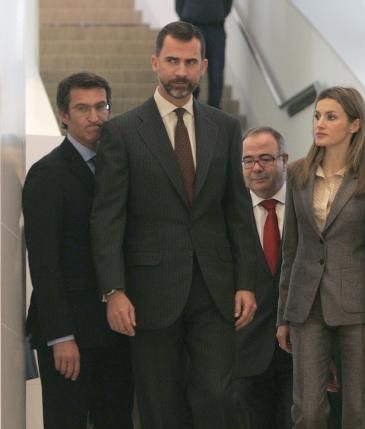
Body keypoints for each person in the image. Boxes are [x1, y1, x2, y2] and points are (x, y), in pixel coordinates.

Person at [90, 21, 257, 429]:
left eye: (189, 62)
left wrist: (247, 281)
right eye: (171, 61)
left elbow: (237, 210)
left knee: (215, 396)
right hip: (149, 293)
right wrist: (113, 290)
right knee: (159, 406)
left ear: (203, 66)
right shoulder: (122, 132)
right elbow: (108, 216)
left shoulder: (226, 127)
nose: (180, 72)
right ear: (154, 63)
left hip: (214, 290)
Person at [276, 86, 365, 429]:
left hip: (357, 309)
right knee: (309, 411)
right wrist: (284, 314)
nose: (320, 124)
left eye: (331, 116)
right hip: (306, 304)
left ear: (355, 125)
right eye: (317, 116)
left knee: (358, 411)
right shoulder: (297, 174)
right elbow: (291, 250)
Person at [23, 72, 133, 429]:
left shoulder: (118, 168)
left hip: (115, 332)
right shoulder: (47, 174)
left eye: (101, 106)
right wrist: (61, 336)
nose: (95, 117)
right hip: (69, 335)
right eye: (82, 108)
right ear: (63, 116)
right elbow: (44, 262)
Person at [233, 126, 293, 429]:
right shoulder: (228, 212)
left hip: (299, 349)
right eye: (248, 160)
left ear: (284, 159)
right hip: (245, 352)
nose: (256, 167)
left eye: (266, 159)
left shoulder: (306, 206)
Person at [176, 0, 232, 108]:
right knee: (189, 68)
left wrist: (218, 14)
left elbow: (227, 4)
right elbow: (179, 4)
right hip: (192, 25)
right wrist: (185, 16)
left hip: (216, 27)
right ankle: (188, 106)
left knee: (216, 72)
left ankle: (214, 110)